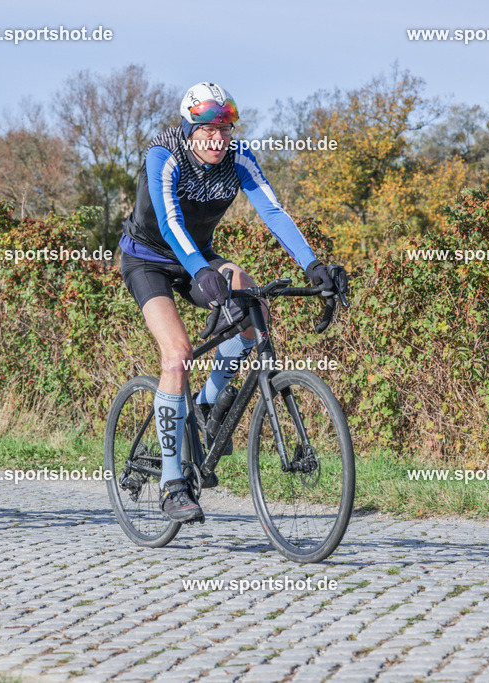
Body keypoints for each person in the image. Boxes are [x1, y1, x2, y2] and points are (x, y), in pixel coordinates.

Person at [119, 82, 345, 523]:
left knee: (254, 308)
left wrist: (313, 265)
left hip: (198, 258)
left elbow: (273, 211)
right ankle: (172, 484)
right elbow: (170, 222)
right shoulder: (164, 155)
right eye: (208, 129)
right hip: (148, 261)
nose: (218, 138)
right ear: (190, 129)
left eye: (225, 129)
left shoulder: (238, 158)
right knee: (177, 356)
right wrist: (200, 271)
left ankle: (205, 403)